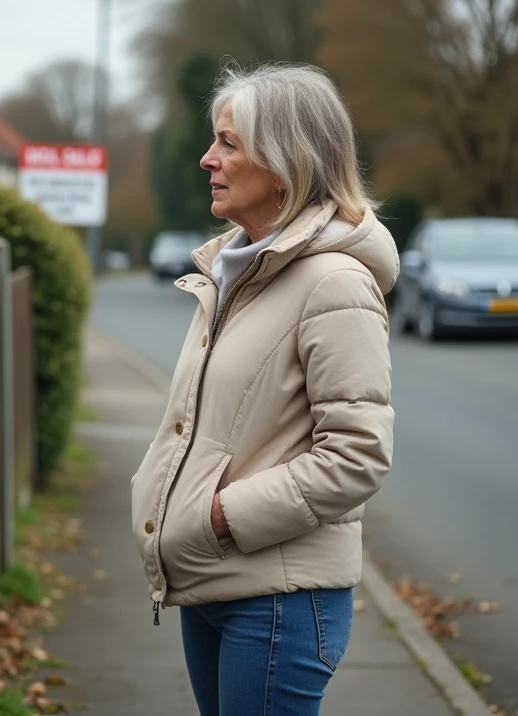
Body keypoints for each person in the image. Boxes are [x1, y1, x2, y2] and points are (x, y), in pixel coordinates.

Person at [130, 63, 398, 716]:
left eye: (228, 143)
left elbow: (357, 455)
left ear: (284, 163)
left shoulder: (333, 283)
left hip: (278, 600)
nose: (206, 159)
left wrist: (221, 518)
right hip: (213, 582)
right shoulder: (237, 271)